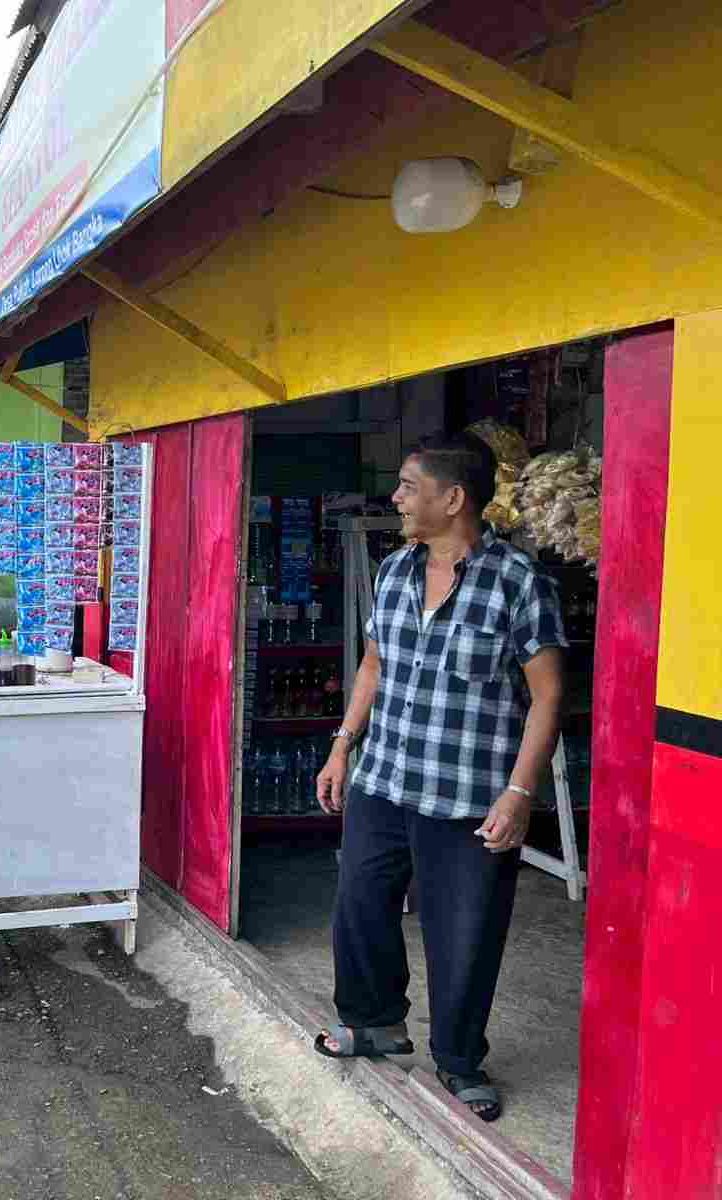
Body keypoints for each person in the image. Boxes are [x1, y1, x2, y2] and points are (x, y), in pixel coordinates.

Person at [314, 431, 566, 1123]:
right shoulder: (395, 571)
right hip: (385, 777)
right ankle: (373, 1023)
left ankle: (459, 1060)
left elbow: (547, 696)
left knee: (465, 932)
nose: (395, 498)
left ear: (452, 498)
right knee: (360, 905)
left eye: (407, 486)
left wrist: (520, 794)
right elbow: (374, 664)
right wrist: (343, 746)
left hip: (469, 795)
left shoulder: (518, 581)